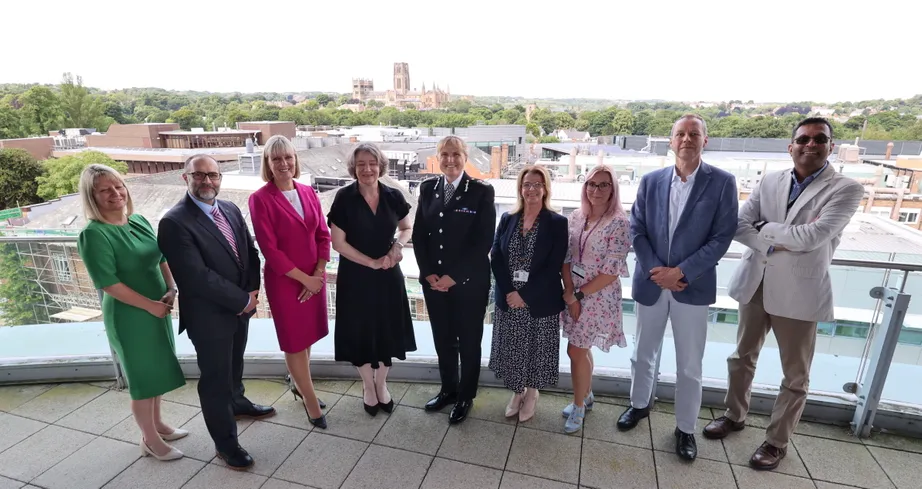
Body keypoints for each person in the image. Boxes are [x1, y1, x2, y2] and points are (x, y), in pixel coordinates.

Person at [704, 117, 864, 470]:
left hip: (800, 292)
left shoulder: (846, 189)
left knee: (795, 376)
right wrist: (782, 237)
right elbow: (739, 225)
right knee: (741, 356)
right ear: (790, 146)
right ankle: (734, 415)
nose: (811, 144)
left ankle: (776, 442)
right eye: (803, 139)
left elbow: (814, 237)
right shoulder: (770, 180)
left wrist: (767, 231)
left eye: (819, 139)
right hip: (755, 283)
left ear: (830, 146)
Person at [621, 114, 738, 461]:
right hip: (652, 282)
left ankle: (685, 428)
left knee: (689, 365)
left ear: (706, 140)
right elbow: (636, 229)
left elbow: (722, 237)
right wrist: (658, 271)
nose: (687, 139)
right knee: (643, 353)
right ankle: (639, 405)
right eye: (680, 134)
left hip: (692, 285)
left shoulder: (722, 182)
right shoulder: (651, 180)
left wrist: (682, 272)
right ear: (671, 141)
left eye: (694, 134)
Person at [158, 154, 273, 471]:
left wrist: (252, 291)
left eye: (213, 175)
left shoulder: (231, 208)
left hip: (241, 308)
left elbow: (249, 252)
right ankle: (226, 444)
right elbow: (195, 276)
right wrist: (241, 300)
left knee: (235, 365)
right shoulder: (174, 222)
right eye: (199, 175)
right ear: (186, 178)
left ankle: (238, 402)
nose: (207, 181)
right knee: (215, 382)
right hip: (209, 318)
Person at [76, 164, 186, 462]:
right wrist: (151, 305)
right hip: (130, 316)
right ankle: (149, 440)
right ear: (92, 196)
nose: (115, 193)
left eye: (118, 186)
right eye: (105, 189)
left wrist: (171, 288)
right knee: (142, 378)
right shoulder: (94, 234)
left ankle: (159, 424)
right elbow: (109, 283)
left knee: (158, 369)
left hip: (158, 307)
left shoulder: (138, 221)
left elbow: (161, 257)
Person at [327, 143, 416, 416]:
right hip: (356, 276)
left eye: (372, 163)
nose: (367, 169)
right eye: (361, 164)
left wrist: (397, 248)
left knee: (388, 329)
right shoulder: (344, 197)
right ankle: (368, 386)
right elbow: (338, 244)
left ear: (380, 165)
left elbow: (406, 227)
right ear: (354, 168)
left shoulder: (392, 195)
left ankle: (381, 384)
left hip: (389, 274)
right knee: (360, 331)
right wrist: (371, 262)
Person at [248, 135, 330, 429]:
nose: (283, 164)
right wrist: (305, 279)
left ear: (296, 160)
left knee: (306, 338)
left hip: (314, 277)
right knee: (294, 342)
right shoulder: (260, 199)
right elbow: (271, 250)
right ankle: (309, 400)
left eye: (288, 158)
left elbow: (323, 234)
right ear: (268, 164)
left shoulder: (308, 192)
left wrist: (317, 274)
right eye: (276, 159)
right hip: (286, 282)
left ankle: (298, 385)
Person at [413, 135, 496, 424]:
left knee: (469, 341)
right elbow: (419, 235)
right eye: (445, 154)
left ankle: (465, 396)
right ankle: (448, 389)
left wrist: (453, 277)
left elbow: (483, 241)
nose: (450, 160)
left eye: (456, 154)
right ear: (438, 156)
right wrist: (428, 273)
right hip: (435, 283)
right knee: (443, 340)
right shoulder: (427, 188)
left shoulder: (481, 191)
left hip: (468, 283)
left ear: (465, 157)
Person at [489, 166, 568, 423]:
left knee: (536, 348)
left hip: (540, 300)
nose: (531, 189)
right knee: (513, 347)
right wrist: (511, 291)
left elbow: (553, 265)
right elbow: (496, 255)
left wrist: (525, 295)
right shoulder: (508, 219)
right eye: (526, 184)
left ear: (545, 188)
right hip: (508, 298)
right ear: (520, 189)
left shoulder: (557, 222)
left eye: (537, 184)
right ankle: (517, 391)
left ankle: (532, 393)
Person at [559, 164, 632, 434]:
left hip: (597, 295)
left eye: (603, 185)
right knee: (582, 348)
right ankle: (586, 396)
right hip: (573, 290)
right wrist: (568, 292)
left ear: (613, 189)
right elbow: (565, 257)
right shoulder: (577, 216)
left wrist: (577, 296)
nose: (596, 190)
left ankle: (578, 407)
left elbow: (610, 273)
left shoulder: (620, 223)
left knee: (575, 351)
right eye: (591, 183)